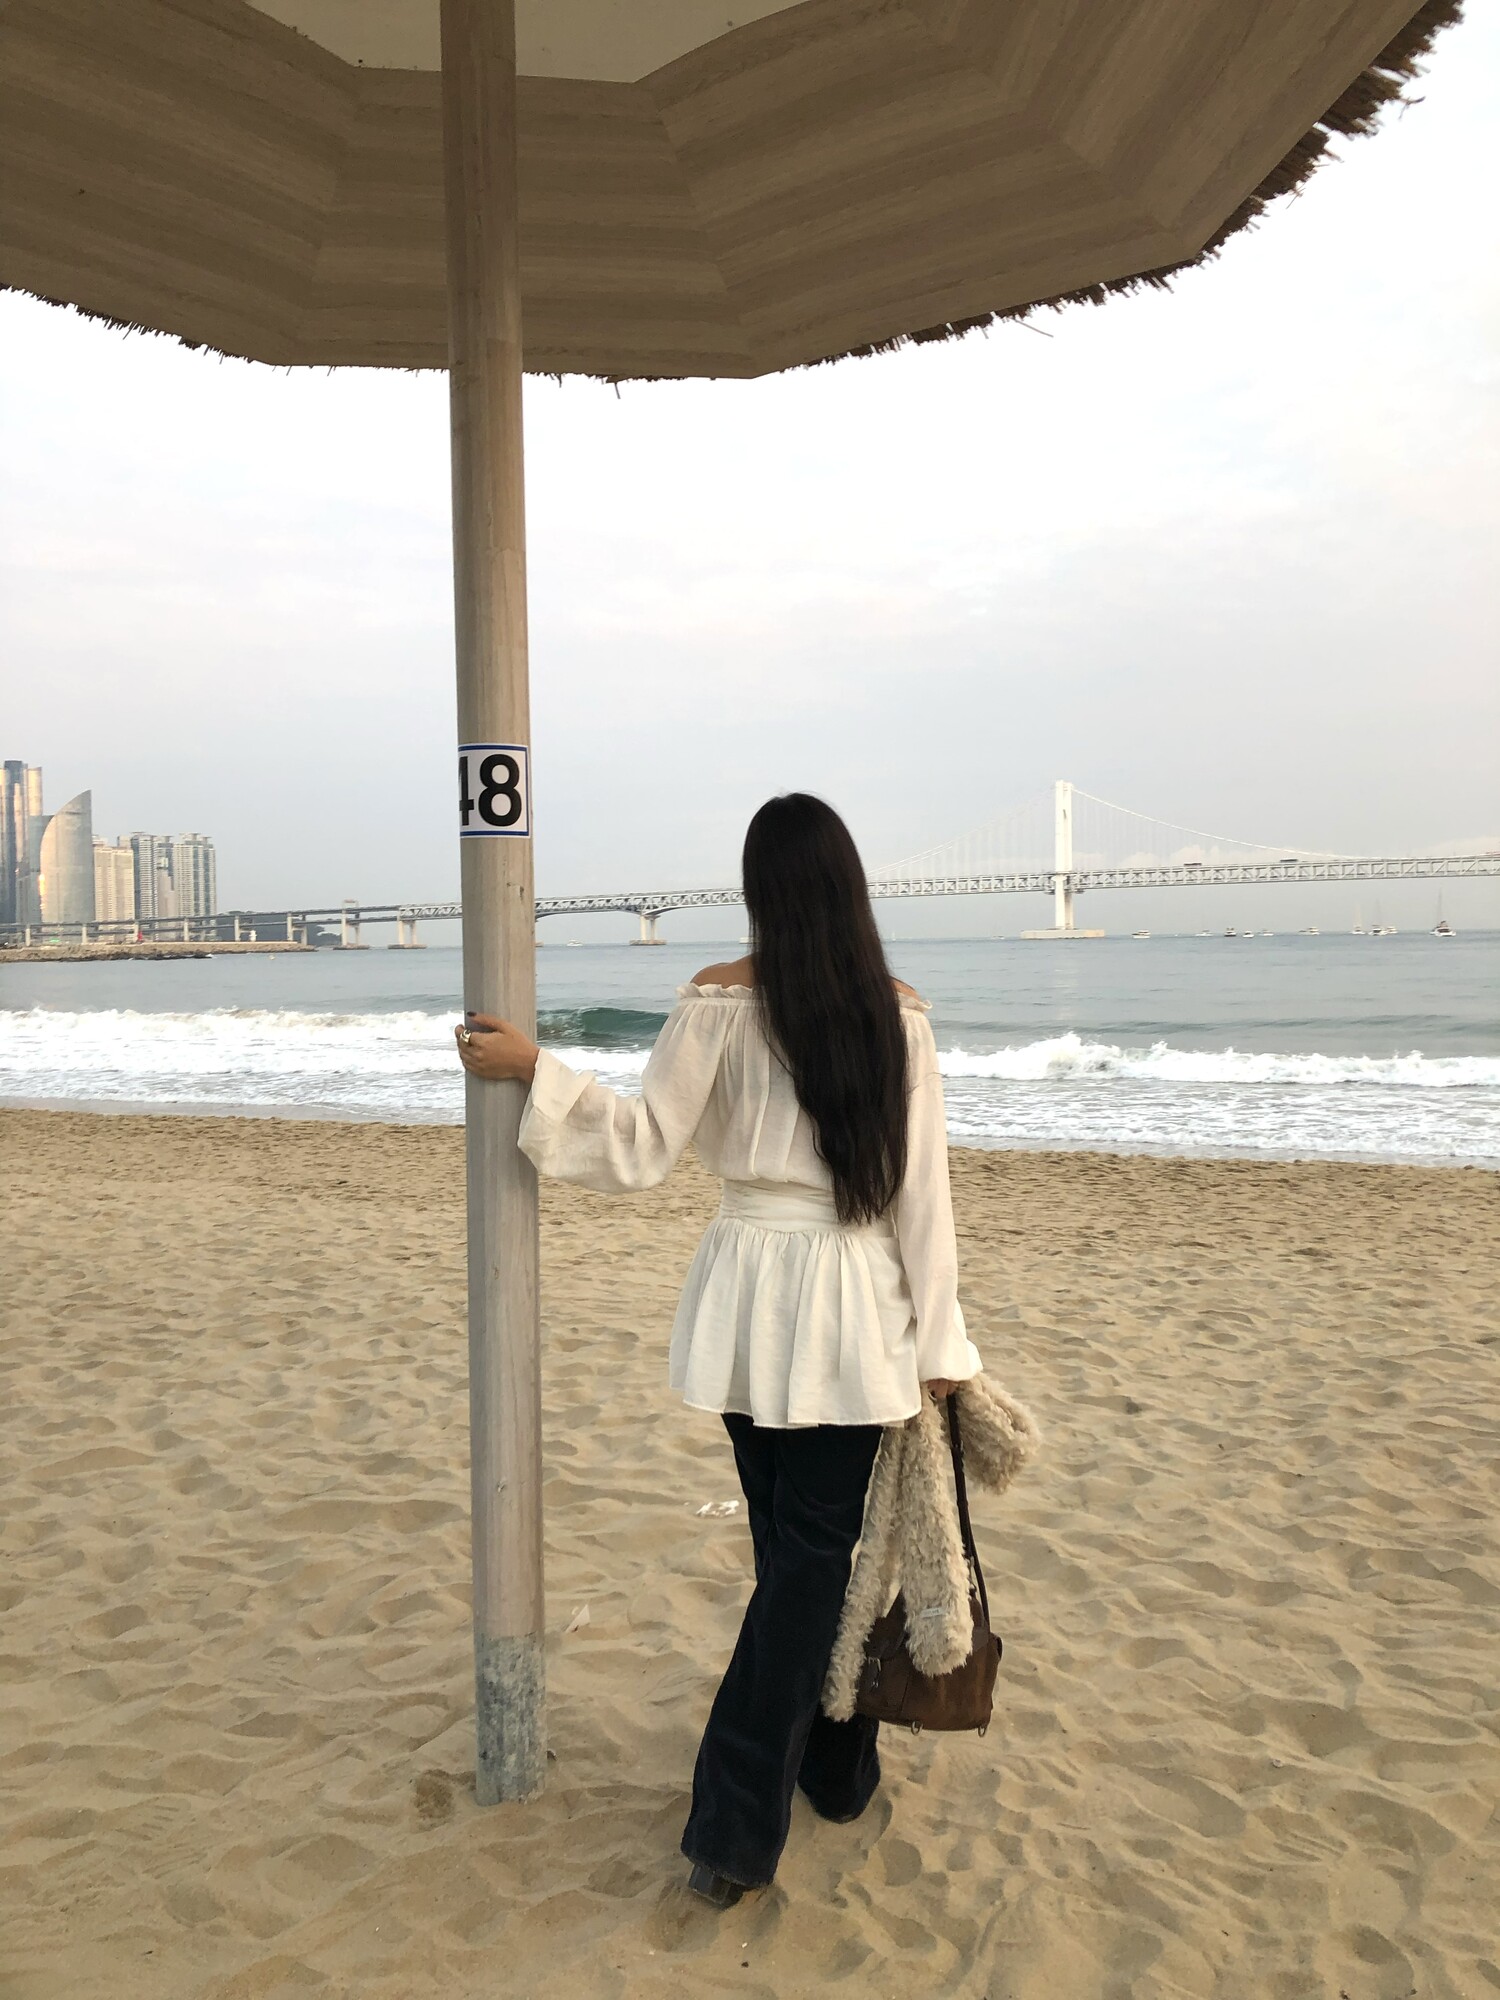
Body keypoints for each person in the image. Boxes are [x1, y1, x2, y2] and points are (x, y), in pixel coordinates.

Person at [454, 792, 982, 1906]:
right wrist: (940, 1340)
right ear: (848, 887)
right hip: (852, 1306)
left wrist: (540, 1071)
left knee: (796, 1562)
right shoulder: (897, 1019)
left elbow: (641, 1144)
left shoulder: (719, 1004)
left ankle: (771, 1806)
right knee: (805, 1562)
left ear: (760, 890)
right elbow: (923, 1202)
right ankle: (813, 1783)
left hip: (750, 1294)